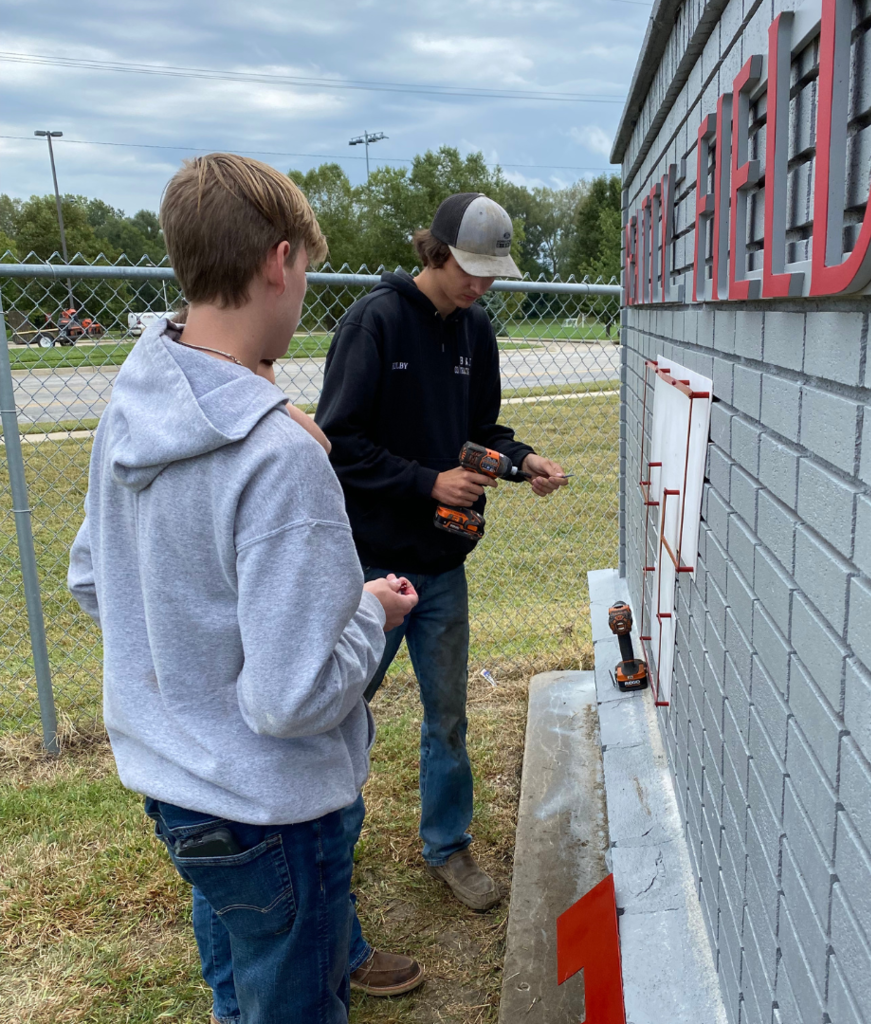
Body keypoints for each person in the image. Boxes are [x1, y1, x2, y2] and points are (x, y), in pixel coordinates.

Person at [67, 153, 419, 1024]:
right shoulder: (277, 455)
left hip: (178, 792)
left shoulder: (132, 405)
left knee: (238, 989)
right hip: (274, 813)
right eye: (306, 271)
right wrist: (370, 615)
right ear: (279, 260)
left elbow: (90, 576)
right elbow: (291, 698)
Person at [315, 192, 569, 992]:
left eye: (493, 275)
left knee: (447, 712)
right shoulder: (374, 323)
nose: (482, 287)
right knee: (340, 718)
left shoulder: (476, 331)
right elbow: (338, 442)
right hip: (372, 568)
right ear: (435, 253)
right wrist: (430, 481)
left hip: (443, 563)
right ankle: (327, 861)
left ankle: (448, 846)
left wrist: (521, 460)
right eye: (472, 271)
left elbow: (482, 430)